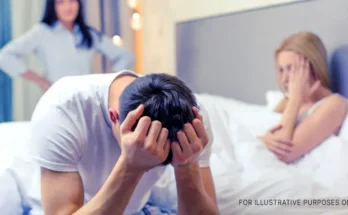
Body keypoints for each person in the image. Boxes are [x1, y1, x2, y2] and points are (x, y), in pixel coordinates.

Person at [26, 70, 218, 215]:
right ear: (113, 117)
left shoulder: (193, 121)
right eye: (147, 152)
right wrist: (131, 166)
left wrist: (187, 166)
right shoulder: (62, 109)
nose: (151, 168)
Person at [0, 0, 134, 92]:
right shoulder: (42, 32)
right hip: (56, 98)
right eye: (61, 2)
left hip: (86, 98)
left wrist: (107, 82)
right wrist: (41, 81)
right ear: (53, 6)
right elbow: (5, 57)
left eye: (72, 0)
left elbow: (125, 56)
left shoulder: (88, 33)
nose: (68, 7)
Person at [259, 32, 348, 163]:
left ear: (311, 66)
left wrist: (295, 98)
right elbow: (260, 139)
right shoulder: (285, 103)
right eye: (281, 70)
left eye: (290, 68)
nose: (284, 78)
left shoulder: (335, 104)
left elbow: (283, 152)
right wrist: (264, 140)